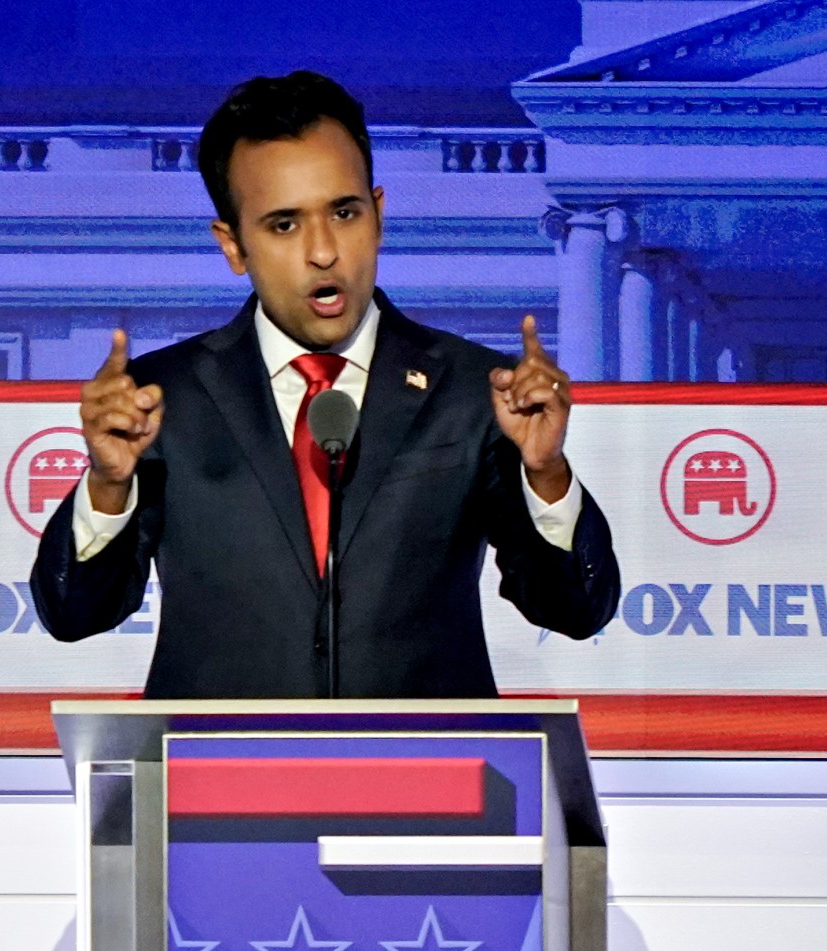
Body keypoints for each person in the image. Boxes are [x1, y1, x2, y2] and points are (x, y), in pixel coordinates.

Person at [31, 71, 619, 698]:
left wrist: (545, 474)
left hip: (424, 759)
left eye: (344, 213)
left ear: (379, 214)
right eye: (284, 225)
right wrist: (109, 485)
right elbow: (73, 614)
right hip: (218, 759)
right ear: (233, 245)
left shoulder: (476, 390)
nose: (323, 252)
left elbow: (576, 610)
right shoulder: (161, 399)